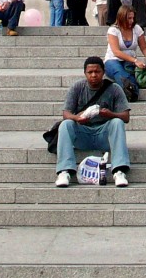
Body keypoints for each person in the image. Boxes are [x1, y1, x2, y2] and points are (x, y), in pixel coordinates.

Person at [54, 56, 131, 188]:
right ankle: (64, 171)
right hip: (83, 133)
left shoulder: (114, 88)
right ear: (85, 73)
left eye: (97, 72)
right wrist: (77, 118)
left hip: (104, 135)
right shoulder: (77, 87)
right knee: (66, 124)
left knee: (117, 122)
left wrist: (110, 114)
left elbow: (126, 117)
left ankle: (119, 171)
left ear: (103, 72)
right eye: (90, 72)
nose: (94, 75)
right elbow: (66, 113)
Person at [104, 5, 146, 97]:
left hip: (129, 61)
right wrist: (135, 61)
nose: (132, 21)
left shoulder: (137, 29)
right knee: (119, 72)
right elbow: (116, 52)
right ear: (121, 18)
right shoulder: (113, 30)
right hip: (112, 60)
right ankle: (130, 92)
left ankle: (130, 91)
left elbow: (144, 47)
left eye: (133, 18)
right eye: (129, 18)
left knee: (128, 73)